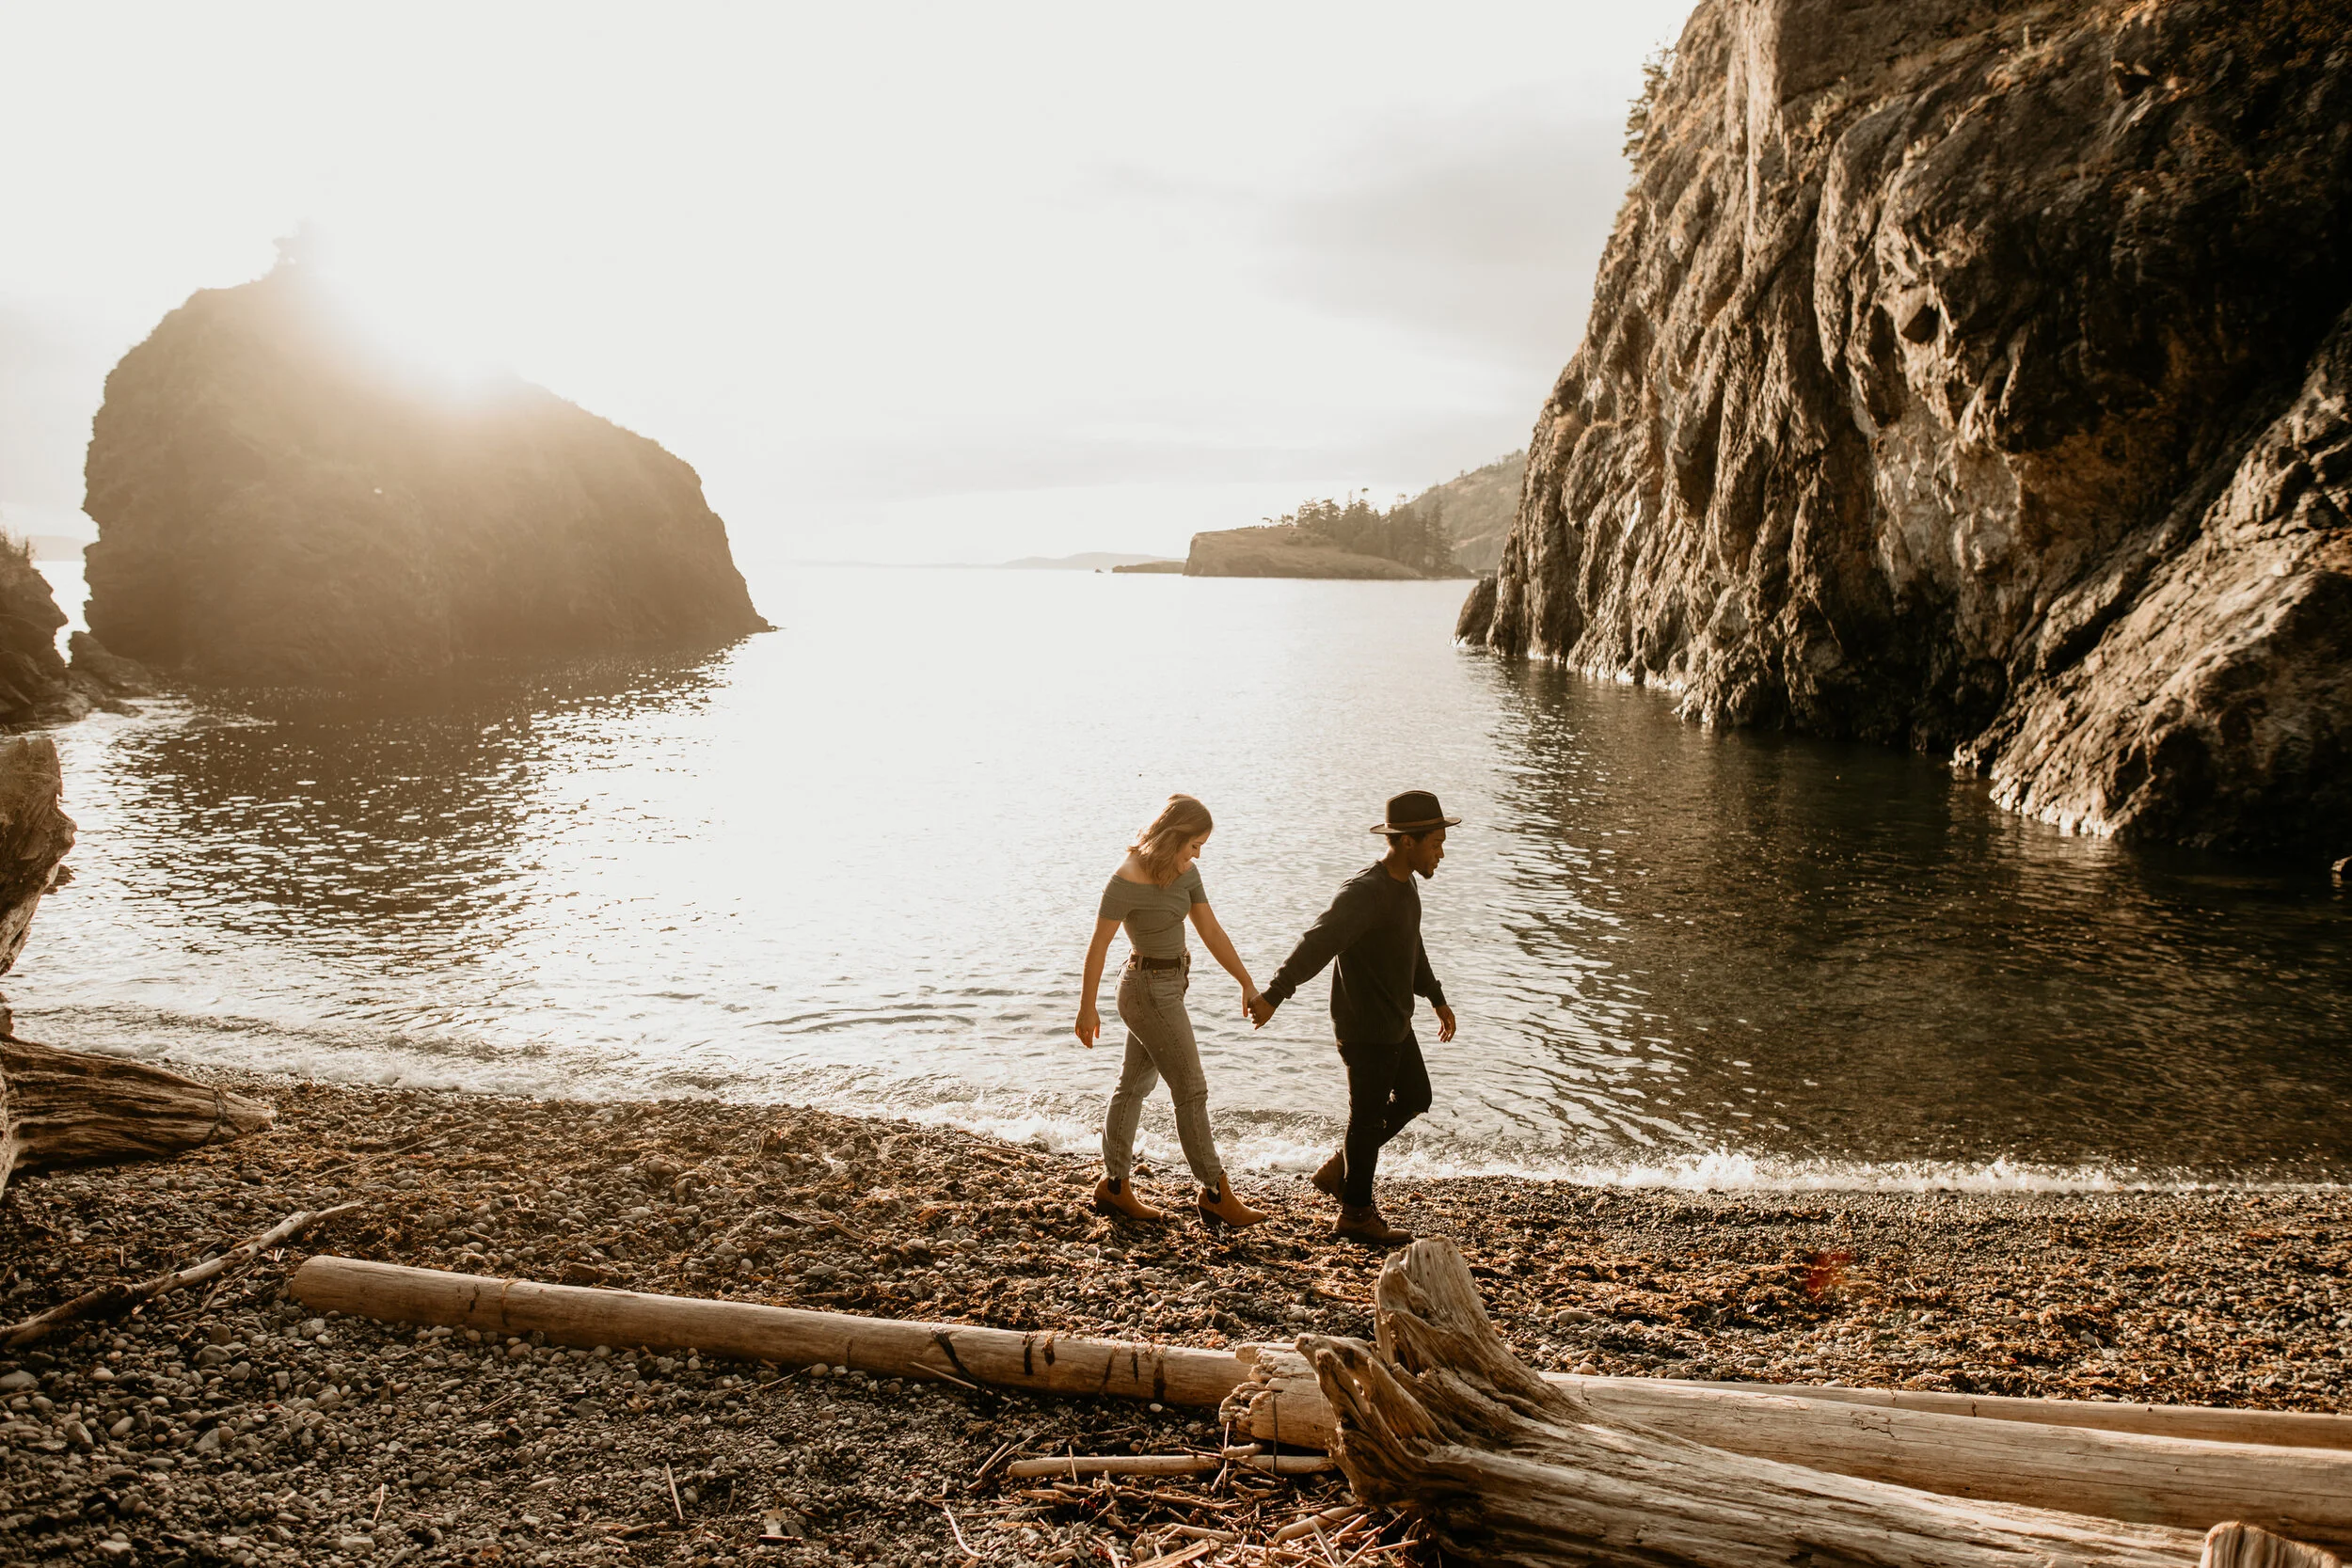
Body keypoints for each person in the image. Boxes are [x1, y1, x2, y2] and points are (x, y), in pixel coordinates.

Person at [1248, 790, 1457, 1245]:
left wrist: (1436, 997)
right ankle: (1356, 1213)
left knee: (1417, 1095)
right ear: (1407, 842)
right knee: (1365, 1119)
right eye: (1436, 843)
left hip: (1395, 1020)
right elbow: (1318, 943)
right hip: (1365, 1027)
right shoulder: (1365, 893)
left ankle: (1342, 1169)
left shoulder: (1405, 886)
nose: (1442, 852)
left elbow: (1411, 946)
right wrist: (1274, 994)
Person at [1075, 794, 1270, 1228]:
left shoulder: (1186, 875)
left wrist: (1246, 980)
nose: (1197, 854)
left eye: (1201, 847)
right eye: (1194, 844)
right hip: (1145, 990)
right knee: (1192, 1089)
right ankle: (1215, 1192)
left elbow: (1211, 929)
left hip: (1171, 986)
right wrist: (1087, 1007)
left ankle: (1114, 1188)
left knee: (1133, 1086)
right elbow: (1098, 946)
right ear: (1173, 837)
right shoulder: (1124, 880)